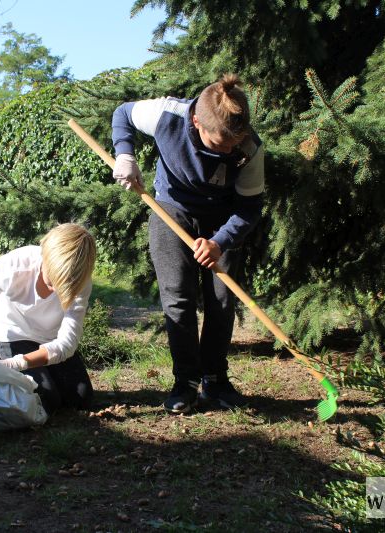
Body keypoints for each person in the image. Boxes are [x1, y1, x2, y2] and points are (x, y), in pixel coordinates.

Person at [111, 74, 265, 414]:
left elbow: (250, 208)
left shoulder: (249, 147)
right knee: (177, 297)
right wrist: (124, 155)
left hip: (224, 218)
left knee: (222, 299)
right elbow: (123, 114)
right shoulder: (167, 115)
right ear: (196, 122)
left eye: (234, 144)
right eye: (220, 144)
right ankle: (185, 383)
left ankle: (215, 380)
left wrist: (220, 242)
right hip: (172, 208)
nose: (229, 151)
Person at [0, 223, 97, 415]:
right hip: (14, 336)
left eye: (65, 284)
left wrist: (16, 364)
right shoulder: (15, 265)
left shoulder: (81, 281)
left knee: (81, 397)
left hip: (50, 340)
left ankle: (3, 365)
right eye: (53, 281)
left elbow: (67, 343)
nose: (57, 289)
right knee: (46, 397)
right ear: (45, 258)